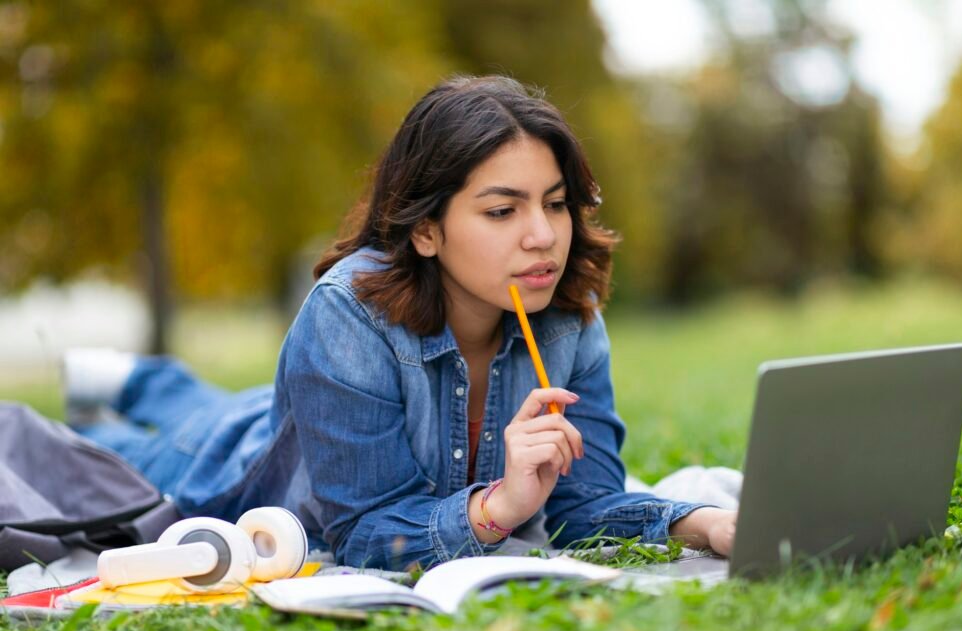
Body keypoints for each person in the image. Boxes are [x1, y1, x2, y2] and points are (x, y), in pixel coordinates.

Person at [65, 75, 737, 572]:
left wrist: (709, 524)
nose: (543, 237)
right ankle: (130, 385)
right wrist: (497, 508)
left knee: (212, 401)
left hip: (307, 415)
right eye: (502, 211)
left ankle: (143, 381)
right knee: (125, 452)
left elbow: (585, 504)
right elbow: (365, 534)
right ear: (425, 230)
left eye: (556, 204)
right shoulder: (347, 315)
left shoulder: (566, 319)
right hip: (236, 463)